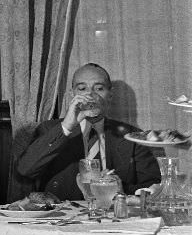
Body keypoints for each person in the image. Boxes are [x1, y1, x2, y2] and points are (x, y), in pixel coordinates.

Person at [17, 63, 161, 200]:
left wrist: (121, 189)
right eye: (82, 89)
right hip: (62, 218)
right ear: (71, 95)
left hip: (112, 217)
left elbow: (153, 186)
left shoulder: (133, 136)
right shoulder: (50, 129)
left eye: (99, 88)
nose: (91, 95)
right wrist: (67, 126)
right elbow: (25, 169)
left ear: (110, 95)